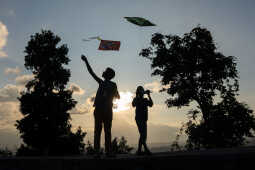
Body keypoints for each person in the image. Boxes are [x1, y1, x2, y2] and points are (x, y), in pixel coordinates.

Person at [81, 55, 120, 157]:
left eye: (105, 71)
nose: (103, 71)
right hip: (108, 110)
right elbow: (118, 96)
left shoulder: (102, 83)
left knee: (97, 131)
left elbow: (91, 72)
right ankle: (108, 152)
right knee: (107, 131)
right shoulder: (113, 84)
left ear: (107, 74)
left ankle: (97, 152)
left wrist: (86, 61)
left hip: (99, 110)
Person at [132, 86, 153, 155]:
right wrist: (137, 96)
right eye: (141, 91)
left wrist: (149, 95)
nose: (142, 93)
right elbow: (133, 104)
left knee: (143, 135)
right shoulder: (136, 99)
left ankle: (139, 151)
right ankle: (146, 150)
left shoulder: (145, 99)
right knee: (143, 135)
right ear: (138, 92)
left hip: (144, 119)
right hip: (139, 119)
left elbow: (151, 104)